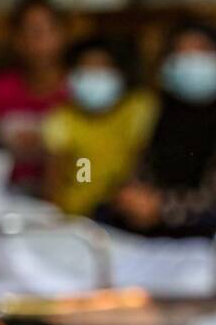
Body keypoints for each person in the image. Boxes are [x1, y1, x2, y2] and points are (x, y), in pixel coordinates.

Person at [111, 20, 216, 238]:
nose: (191, 60)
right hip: (169, 239)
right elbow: (143, 173)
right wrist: (132, 198)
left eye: (202, 50)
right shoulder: (163, 110)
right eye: (179, 52)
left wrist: (164, 208)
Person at [42, 38, 157, 216]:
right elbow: (54, 179)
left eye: (102, 68)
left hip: (126, 213)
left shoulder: (138, 108)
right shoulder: (62, 118)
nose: (94, 75)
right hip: (77, 216)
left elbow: (142, 161)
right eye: (87, 69)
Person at [0, 0, 69, 192]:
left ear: (63, 35)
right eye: (32, 32)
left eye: (48, 31)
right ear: (17, 40)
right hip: (7, 198)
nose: (40, 41)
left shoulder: (78, 92)